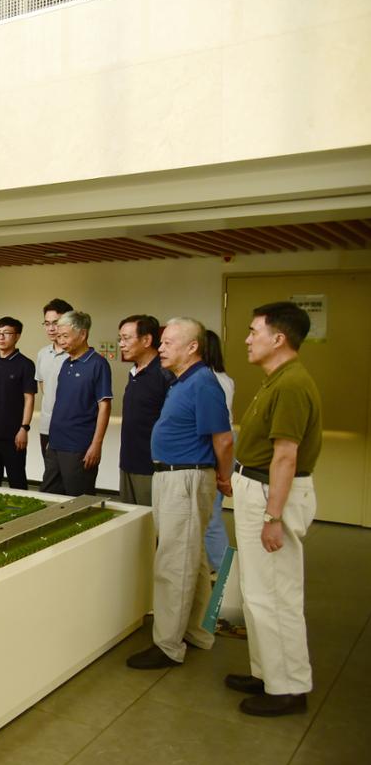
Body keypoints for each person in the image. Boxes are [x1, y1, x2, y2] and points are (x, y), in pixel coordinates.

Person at [226, 302, 321, 717]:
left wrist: (273, 517)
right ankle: (268, 673)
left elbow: (286, 456)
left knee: (276, 595)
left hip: (272, 495)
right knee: (257, 592)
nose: (247, 339)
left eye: (254, 332)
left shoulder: (291, 384)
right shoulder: (276, 379)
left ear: (278, 338)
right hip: (259, 489)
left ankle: (289, 688)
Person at [126, 317, 232, 671]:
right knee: (193, 558)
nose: (161, 348)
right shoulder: (182, 380)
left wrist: (224, 478)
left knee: (174, 562)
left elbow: (223, 439)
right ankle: (195, 631)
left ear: (192, 347)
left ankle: (168, 645)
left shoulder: (203, 383)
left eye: (168, 342)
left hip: (185, 478)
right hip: (174, 476)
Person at [40, 310, 111, 496]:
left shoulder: (98, 364)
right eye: (59, 336)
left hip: (79, 446)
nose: (61, 341)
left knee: (78, 499)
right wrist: (51, 440)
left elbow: (104, 406)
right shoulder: (66, 363)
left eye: (65, 336)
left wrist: (96, 445)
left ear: (83, 334)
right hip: (56, 443)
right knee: (48, 495)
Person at [0, 316, 36, 489]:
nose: (1, 337)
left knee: (17, 482)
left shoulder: (26, 365)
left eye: (7, 333)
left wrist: (24, 428)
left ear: (17, 336)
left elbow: (29, 399)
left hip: (14, 436)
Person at [117, 314, 170, 505]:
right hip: (128, 461)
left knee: (150, 520)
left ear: (146, 340)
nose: (121, 344)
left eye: (126, 338)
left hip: (151, 466)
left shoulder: (164, 373)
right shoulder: (134, 372)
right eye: (120, 338)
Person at [202, 329, 236, 570]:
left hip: (215, 443)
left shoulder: (208, 380)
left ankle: (225, 574)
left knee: (211, 516)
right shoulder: (225, 378)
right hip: (223, 441)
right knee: (211, 513)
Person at [35, 298, 73, 455]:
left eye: (56, 323)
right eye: (47, 323)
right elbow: (43, 385)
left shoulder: (76, 355)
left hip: (72, 429)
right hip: (47, 426)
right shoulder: (42, 354)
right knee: (49, 469)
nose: (51, 328)